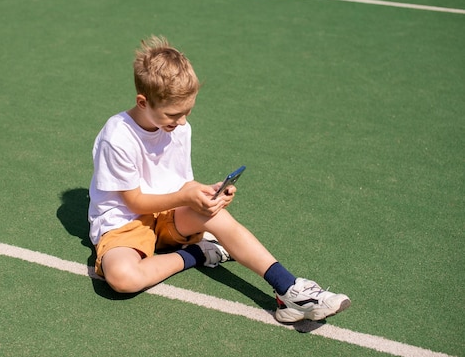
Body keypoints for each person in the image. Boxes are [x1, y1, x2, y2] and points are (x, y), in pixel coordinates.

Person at [87, 36, 350, 323]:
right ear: (142, 101)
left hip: (168, 214)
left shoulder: (179, 129)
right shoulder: (118, 136)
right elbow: (134, 201)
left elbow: (181, 183)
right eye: (174, 115)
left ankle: (290, 290)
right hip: (125, 222)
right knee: (122, 278)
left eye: (188, 111)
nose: (183, 122)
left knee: (216, 214)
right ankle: (198, 254)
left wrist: (204, 192)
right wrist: (187, 198)